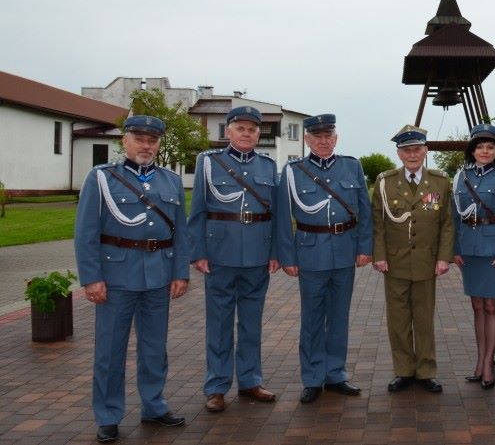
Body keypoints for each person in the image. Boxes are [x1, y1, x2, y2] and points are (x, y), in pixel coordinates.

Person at [74, 115, 189, 443]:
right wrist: (91, 278)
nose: (146, 145)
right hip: (117, 275)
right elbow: (85, 232)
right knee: (110, 350)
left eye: (152, 140)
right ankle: (108, 414)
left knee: (155, 348)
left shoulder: (171, 181)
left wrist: (180, 272)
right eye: (139, 138)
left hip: (158, 275)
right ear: (124, 141)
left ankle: (154, 405)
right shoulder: (101, 178)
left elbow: (179, 230)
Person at [188, 106, 280, 413]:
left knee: (251, 325)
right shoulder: (209, 163)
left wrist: (276, 252)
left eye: (252, 129)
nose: (247, 133)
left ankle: (251, 380)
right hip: (220, 255)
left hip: (257, 254)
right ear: (228, 131)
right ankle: (216, 387)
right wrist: (198, 251)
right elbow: (198, 211)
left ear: (258, 134)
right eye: (240, 128)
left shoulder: (268, 166)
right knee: (219, 324)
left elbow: (277, 216)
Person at [276, 114, 373, 404]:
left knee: (340, 317)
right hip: (310, 251)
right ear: (307, 139)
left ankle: (336, 374)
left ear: (336, 137)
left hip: (345, 249)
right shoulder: (294, 171)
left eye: (328, 135)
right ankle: (312, 377)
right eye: (317, 136)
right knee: (312, 318)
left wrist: (365, 247)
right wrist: (287, 256)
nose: (323, 141)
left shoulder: (352, 166)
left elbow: (365, 211)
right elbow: (283, 218)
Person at [372, 124, 454, 393]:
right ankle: (403, 370)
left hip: (426, 262)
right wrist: (380, 256)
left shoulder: (440, 181)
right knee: (398, 320)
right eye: (406, 150)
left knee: (424, 319)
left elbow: (447, 223)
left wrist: (444, 258)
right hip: (394, 261)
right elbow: (378, 223)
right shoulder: (385, 182)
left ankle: (426, 370)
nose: (412, 154)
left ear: (425, 150)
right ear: (399, 154)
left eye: (417, 149)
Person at [451, 124, 495, 390]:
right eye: (480, 147)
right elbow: (455, 216)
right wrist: (455, 248)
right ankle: (479, 361)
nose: (485, 151)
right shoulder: (461, 176)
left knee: (491, 306)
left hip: (493, 251)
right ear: (472, 150)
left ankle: (489, 363)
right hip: (469, 249)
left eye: (490, 147)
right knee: (477, 306)